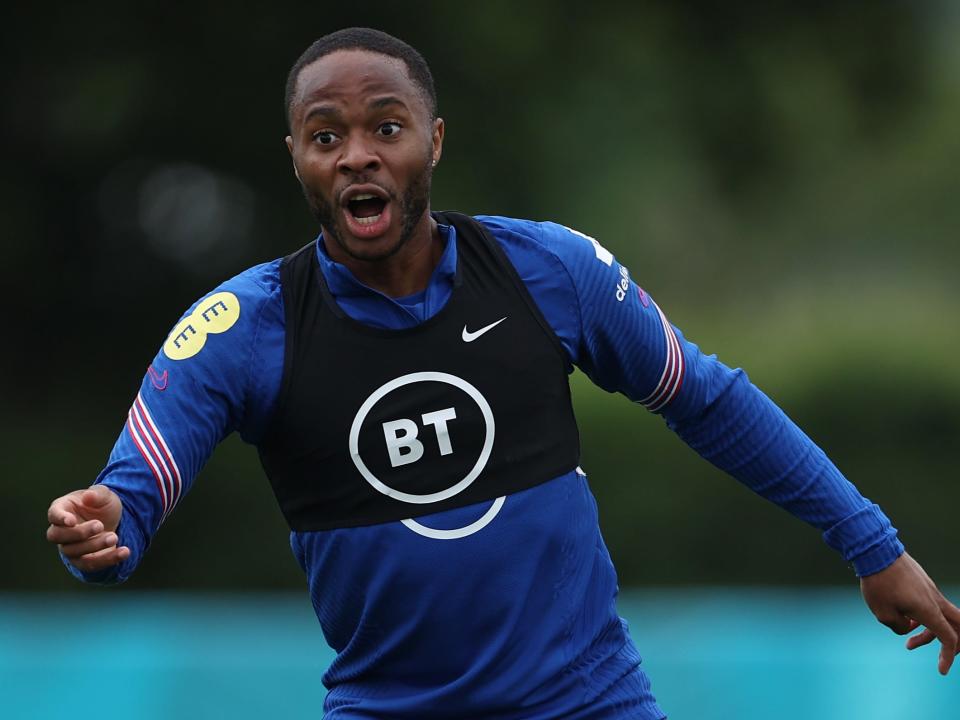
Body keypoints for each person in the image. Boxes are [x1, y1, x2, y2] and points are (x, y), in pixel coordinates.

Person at [46, 27, 959, 720]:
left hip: (591, 702)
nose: (358, 153)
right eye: (326, 136)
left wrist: (869, 544)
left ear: (433, 142)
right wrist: (101, 530)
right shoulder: (244, 327)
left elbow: (709, 402)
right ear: (297, 156)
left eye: (386, 127)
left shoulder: (548, 271)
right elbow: (130, 502)